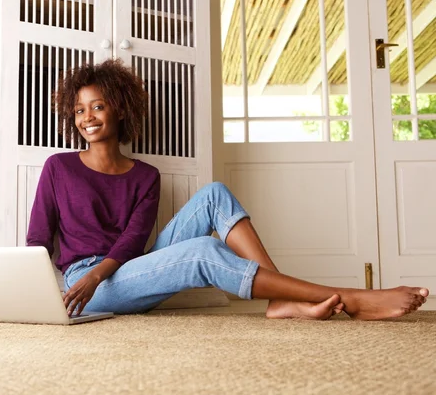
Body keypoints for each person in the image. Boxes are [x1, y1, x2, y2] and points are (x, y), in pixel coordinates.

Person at [27, 59, 429, 321]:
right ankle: (350, 297)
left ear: (119, 108)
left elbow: (133, 243)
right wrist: (41, 291)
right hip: (84, 286)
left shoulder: (145, 175)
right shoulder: (58, 167)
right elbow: (38, 240)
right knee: (203, 253)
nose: (87, 117)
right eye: (79, 110)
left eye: (97, 106)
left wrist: (100, 273)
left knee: (215, 193)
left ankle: (281, 298)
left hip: (119, 269)